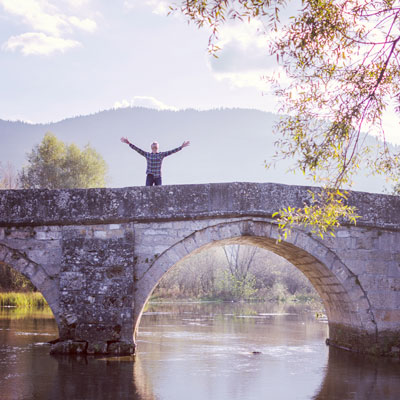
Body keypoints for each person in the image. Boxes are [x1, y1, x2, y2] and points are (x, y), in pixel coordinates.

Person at [121, 137, 190, 186]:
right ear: (151, 147)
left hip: (158, 176)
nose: (154, 144)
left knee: (159, 191)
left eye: (156, 143)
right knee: (147, 190)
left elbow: (171, 151)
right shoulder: (147, 154)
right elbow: (138, 149)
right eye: (153, 143)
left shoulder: (161, 155)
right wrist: (129, 143)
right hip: (150, 175)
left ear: (158, 146)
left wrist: (181, 147)